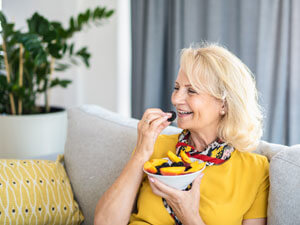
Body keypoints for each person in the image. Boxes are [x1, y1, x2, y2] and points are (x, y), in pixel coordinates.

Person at [94, 43, 269, 225]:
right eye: (177, 88)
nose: (176, 99)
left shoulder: (255, 171)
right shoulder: (155, 145)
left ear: (224, 104)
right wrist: (140, 154)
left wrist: (189, 215)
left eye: (191, 91)